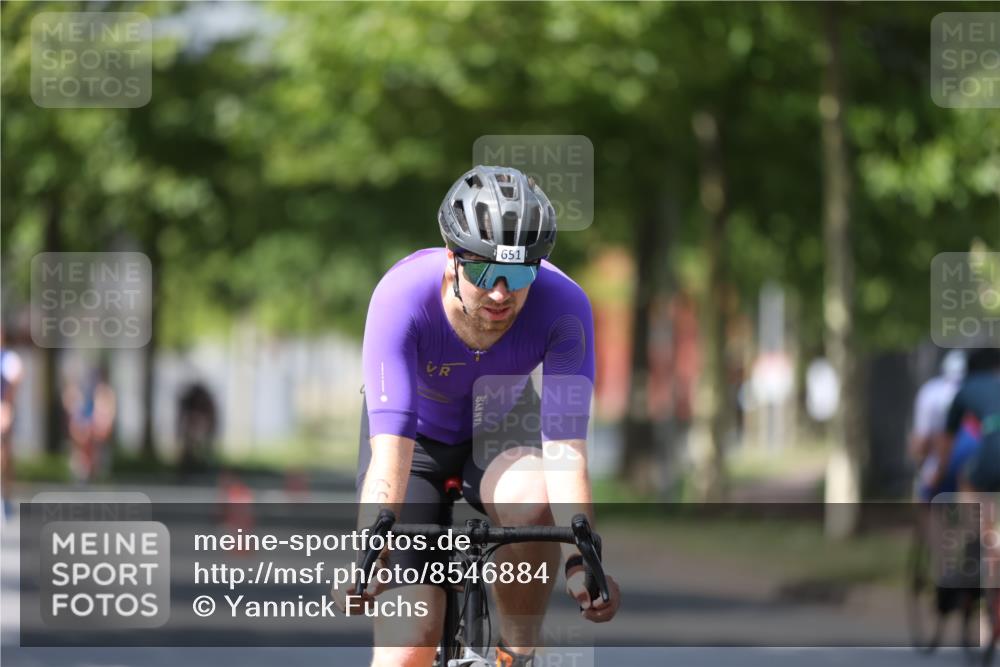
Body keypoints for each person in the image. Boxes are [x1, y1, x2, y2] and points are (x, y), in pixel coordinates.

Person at [338, 166, 621, 667]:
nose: (500, 293)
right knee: (409, 644)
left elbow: (565, 451)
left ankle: (517, 653)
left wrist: (582, 557)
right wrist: (369, 553)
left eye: (519, 273)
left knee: (536, 499)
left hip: (500, 435)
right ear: (451, 260)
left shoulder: (565, 306)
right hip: (414, 446)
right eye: (485, 271)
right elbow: (390, 453)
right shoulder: (401, 297)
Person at [911, 350, 966, 501]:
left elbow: (921, 439)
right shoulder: (973, 389)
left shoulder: (930, 391)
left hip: (940, 458)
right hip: (969, 458)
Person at [62, 364, 117, 483]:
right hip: (88, 426)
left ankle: (92, 469)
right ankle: (84, 469)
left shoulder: (103, 392)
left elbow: (106, 414)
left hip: (97, 427)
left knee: (91, 440)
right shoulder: (84, 392)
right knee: (83, 437)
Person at [1, 329, 24, 517]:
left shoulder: (9, 359)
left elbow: (15, 383)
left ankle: (6, 497)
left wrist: (6, 409)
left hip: (4, 411)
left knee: (4, 457)